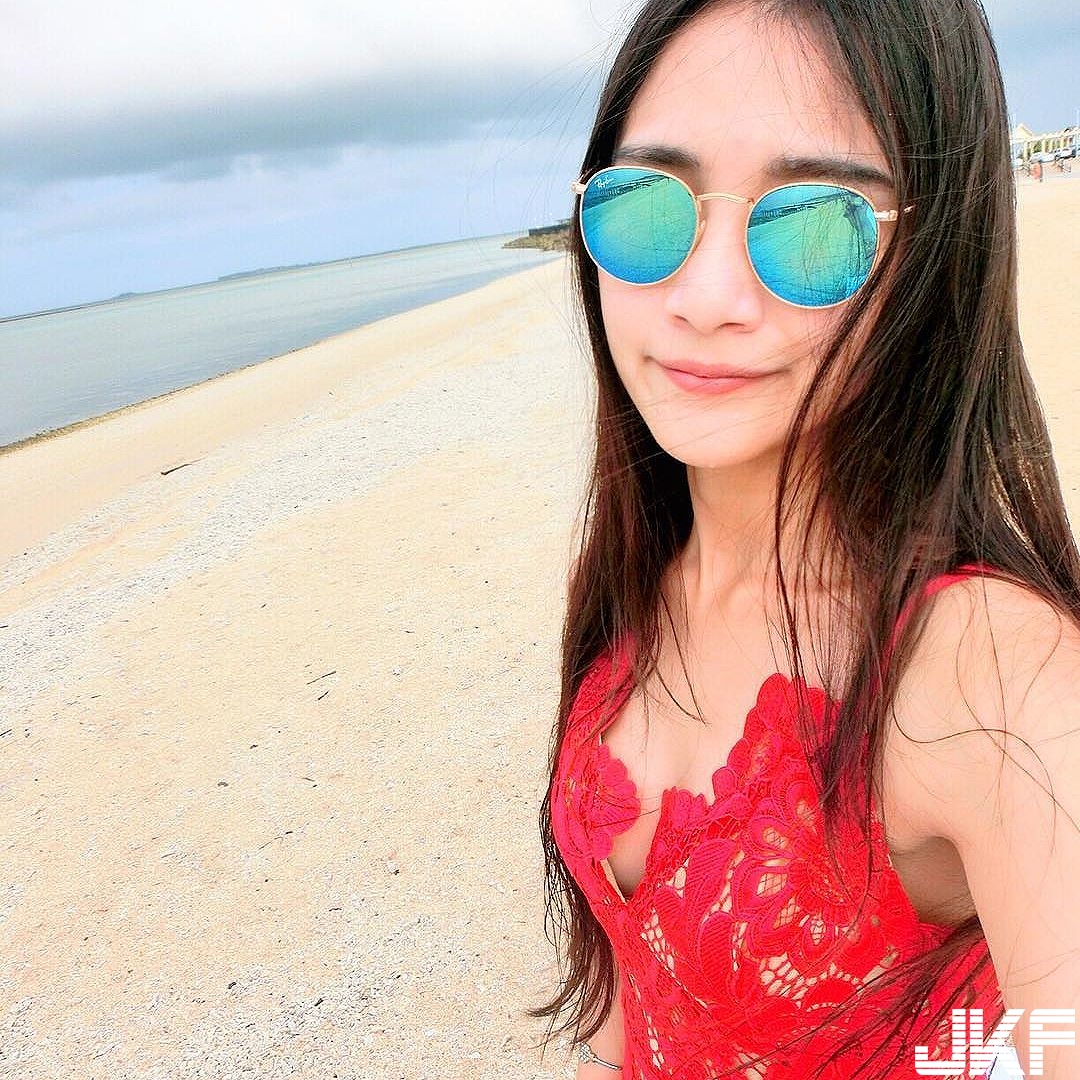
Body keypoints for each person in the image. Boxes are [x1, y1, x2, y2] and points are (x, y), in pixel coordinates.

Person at [531, 1, 1080, 1078]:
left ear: (937, 259)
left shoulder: (1002, 680)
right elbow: (628, 1000)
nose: (706, 299)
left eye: (815, 224)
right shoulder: (642, 574)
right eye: (647, 205)